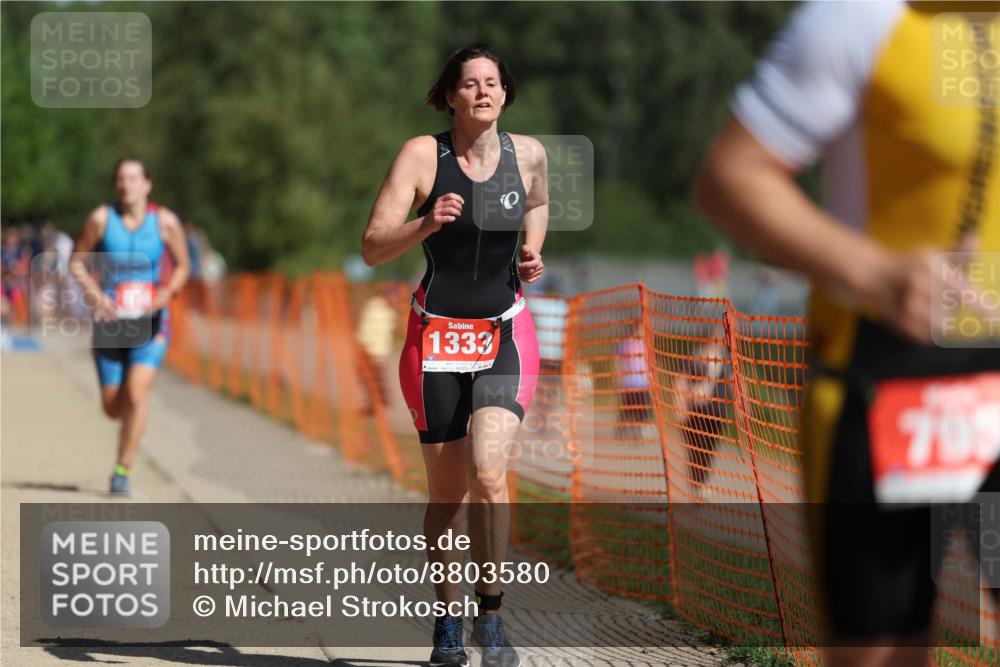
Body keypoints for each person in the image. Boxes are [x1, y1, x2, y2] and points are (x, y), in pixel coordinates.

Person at [694, 2, 999, 665]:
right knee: (885, 651)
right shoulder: (861, 18)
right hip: (894, 387)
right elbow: (730, 178)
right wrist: (876, 273)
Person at [361, 43, 547, 667]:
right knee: (447, 496)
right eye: (469, 84)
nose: (483, 92)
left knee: (490, 472)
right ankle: (447, 623)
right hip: (434, 336)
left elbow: (540, 202)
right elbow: (371, 248)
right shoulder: (421, 155)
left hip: (504, 333)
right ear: (449, 96)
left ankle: (490, 614)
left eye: (492, 82)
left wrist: (532, 250)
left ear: (505, 93)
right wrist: (425, 224)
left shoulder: (530, 156)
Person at [70, 158, 190, 496]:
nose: (127, 185)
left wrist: (166, 293)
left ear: (147, 184)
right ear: (115, 185)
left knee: (137, 394)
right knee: (113, 408)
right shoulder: (100, 219)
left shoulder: (165, 222)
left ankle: (122, 470)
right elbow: (76, 262)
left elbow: (183, 265)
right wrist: (95, 296)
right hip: (109, 323)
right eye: (121, 179)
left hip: (151, 323)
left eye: (134, 178)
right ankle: (126, 427)